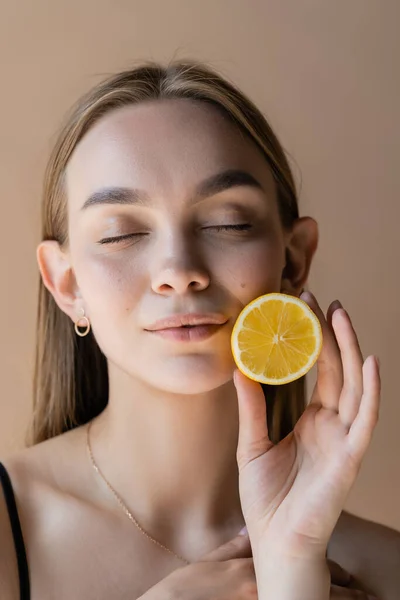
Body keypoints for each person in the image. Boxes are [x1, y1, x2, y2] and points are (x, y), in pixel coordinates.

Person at [0, 58, 398, 600]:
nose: (178, 270)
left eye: (228, 223)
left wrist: (293, 576)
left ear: (294, 258)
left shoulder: (386, 571)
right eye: (120, 233)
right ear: (66, 284)